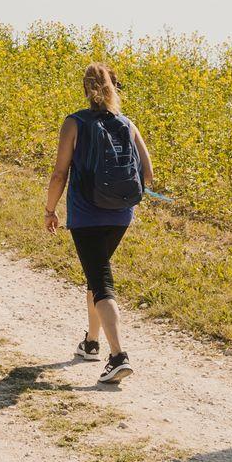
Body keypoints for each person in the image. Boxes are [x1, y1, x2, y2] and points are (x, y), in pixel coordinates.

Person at [45, 61, 155, 385]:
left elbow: (59, 174)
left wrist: (50, 210)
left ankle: (118, 356)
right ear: (114, 89)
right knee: (95, 275)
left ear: (85, 89)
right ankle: (91, 343)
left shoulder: (74, 122)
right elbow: (148, 173)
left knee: (102, 283)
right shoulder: (127, 123)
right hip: (121, 215)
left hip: (86, 215)